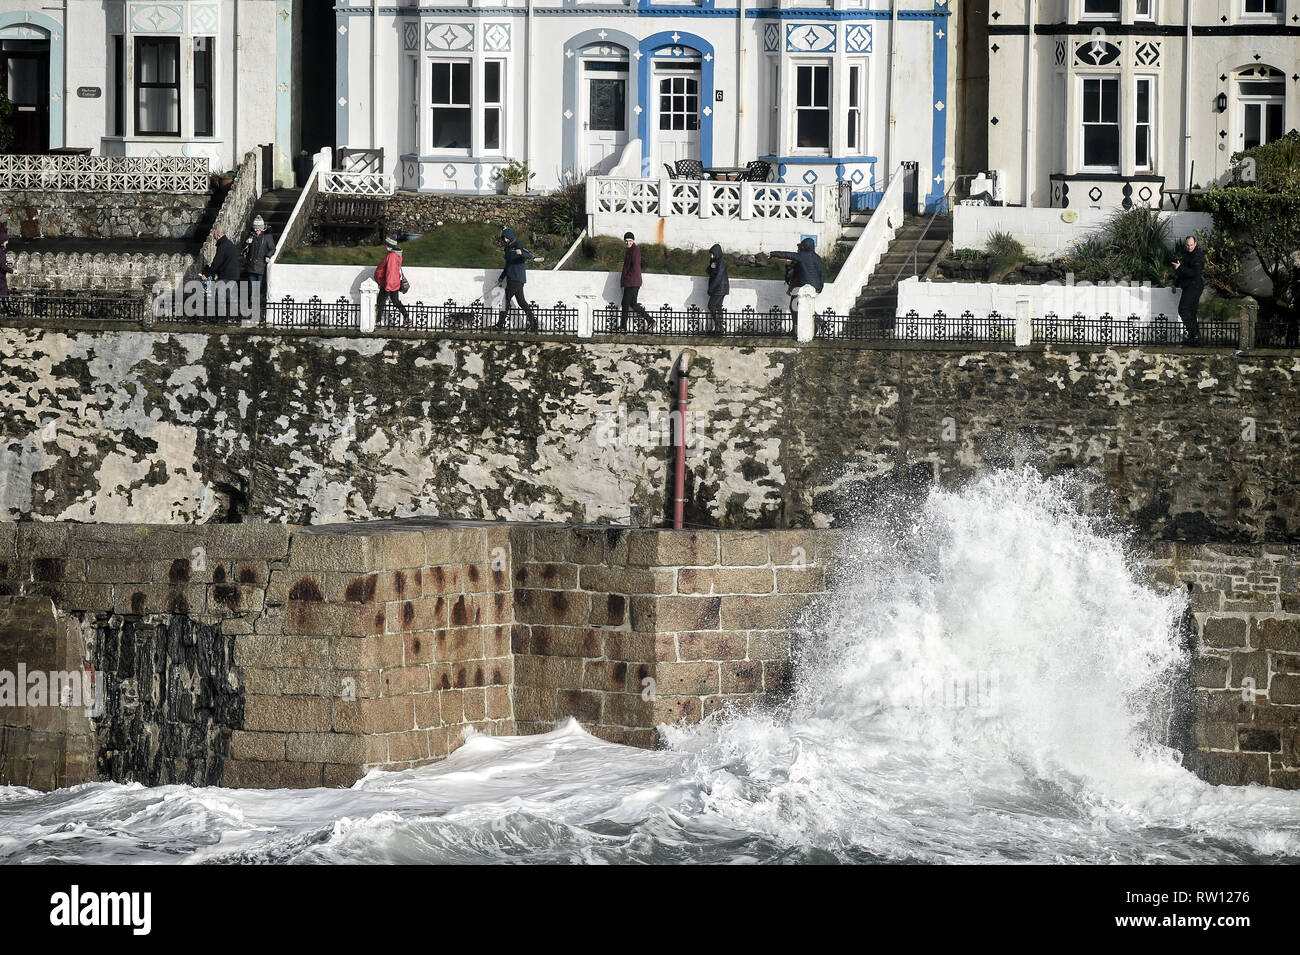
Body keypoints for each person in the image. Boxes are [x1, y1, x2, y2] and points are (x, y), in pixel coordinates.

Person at [764, 237, 825, 326]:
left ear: (803, 247)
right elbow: (822, 274)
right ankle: (818, 322)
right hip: (815, 287)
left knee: (794, 306)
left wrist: (772, 254)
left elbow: (786, 255)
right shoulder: (818, 258)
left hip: (804, 286)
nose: (799, 248)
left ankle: (798, 327)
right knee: (805, 305)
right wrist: (820, 287)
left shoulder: (801, 256)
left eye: (801, 247)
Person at [495, 227, 541, 331]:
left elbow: (530, 255)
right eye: (504, 238)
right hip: (511, 278)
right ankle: (534, 324)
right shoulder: (507, 249)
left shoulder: (518, 245)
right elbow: (508, 265)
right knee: (521, 302)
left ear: (510, 237)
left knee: (506, 300)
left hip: (517, 278)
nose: (505, 240)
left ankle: (500, 325)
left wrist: (521, 253)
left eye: (506, 238)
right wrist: (502, 277)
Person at [200, 226, 242, 321]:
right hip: (233, 275)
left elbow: (217, 262)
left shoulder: (223, 245)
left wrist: (207, 274)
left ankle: (222, 318)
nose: (214, 236)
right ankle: (238, 316)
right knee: (229, 297)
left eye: (214, 234)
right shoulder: (229, 244)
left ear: (218, 235)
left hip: (226, 276)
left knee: (221, 297)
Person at [619, 232, 656, 332]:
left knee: (625, 304)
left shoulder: (635, 250)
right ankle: (650, 321)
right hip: (633, 282)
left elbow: (634, 267)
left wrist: (626, 279)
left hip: (631, 282)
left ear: (633, 241)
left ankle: (623, 327)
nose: (628, 243)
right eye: (626, 241)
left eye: (630, 241)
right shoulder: (630, 250)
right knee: (633, 304)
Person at [1172, 235, 1204, 346]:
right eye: (1187, 245)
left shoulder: (1197, 256)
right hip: (1189, 286)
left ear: (1195, 244)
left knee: (1183, 309)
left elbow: (1194, 273)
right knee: (1191, 312)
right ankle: (1195, 338)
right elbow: (1183, 273)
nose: (1189, 247)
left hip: (1194, 287)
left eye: (1191, 245)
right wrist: (1175, 284)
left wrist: (1179, 267)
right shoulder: (1187, 255)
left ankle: (1193, 334)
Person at [374, 235, 410, 326]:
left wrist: (388, 286)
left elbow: (391, 272)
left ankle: (378, 321)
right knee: (396, 302)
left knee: (380, 303)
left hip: (388, 284)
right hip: (394, 284)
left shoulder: (392, 256)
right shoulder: (396, 255)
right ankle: (407, 318)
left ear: (390, 246)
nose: (385, 246)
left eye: (387, 245)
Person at [243, 215, 275, 306]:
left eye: (258, 228)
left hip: (261, 266)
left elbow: (272, 248)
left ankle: (257, 304)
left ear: (261, 228)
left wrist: (268, 256)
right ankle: (252, 303)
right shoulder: (251, 235)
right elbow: (244, 247)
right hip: (251, 265)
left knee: (259, 287)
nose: (256, 230)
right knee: (251, 286)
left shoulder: (267, 237)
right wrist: (246, 242)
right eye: (255, 228)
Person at [706, 243, 728, 335]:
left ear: (717, 253)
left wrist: (711, 289)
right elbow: (707, 271)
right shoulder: (715, 262)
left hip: (720, 288)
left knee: (711, 306)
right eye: (711, 254)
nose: (711, 256)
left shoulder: (721, 262)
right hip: (720, 288)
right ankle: (720, 328)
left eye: (713, 254)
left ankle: (719, 326)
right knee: (718, 307)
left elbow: (718, 277)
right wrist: (710, 267)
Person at [0, 232, 14, 316]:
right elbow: (1, 265)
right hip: (1, 278)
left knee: (4, 295)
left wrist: (7, 263)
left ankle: (9, 311)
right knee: (4, 295)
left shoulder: (1, 251)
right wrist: (12, 270)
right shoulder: (1, 252)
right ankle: (9, 313)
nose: (7, 242)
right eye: (6, 240)